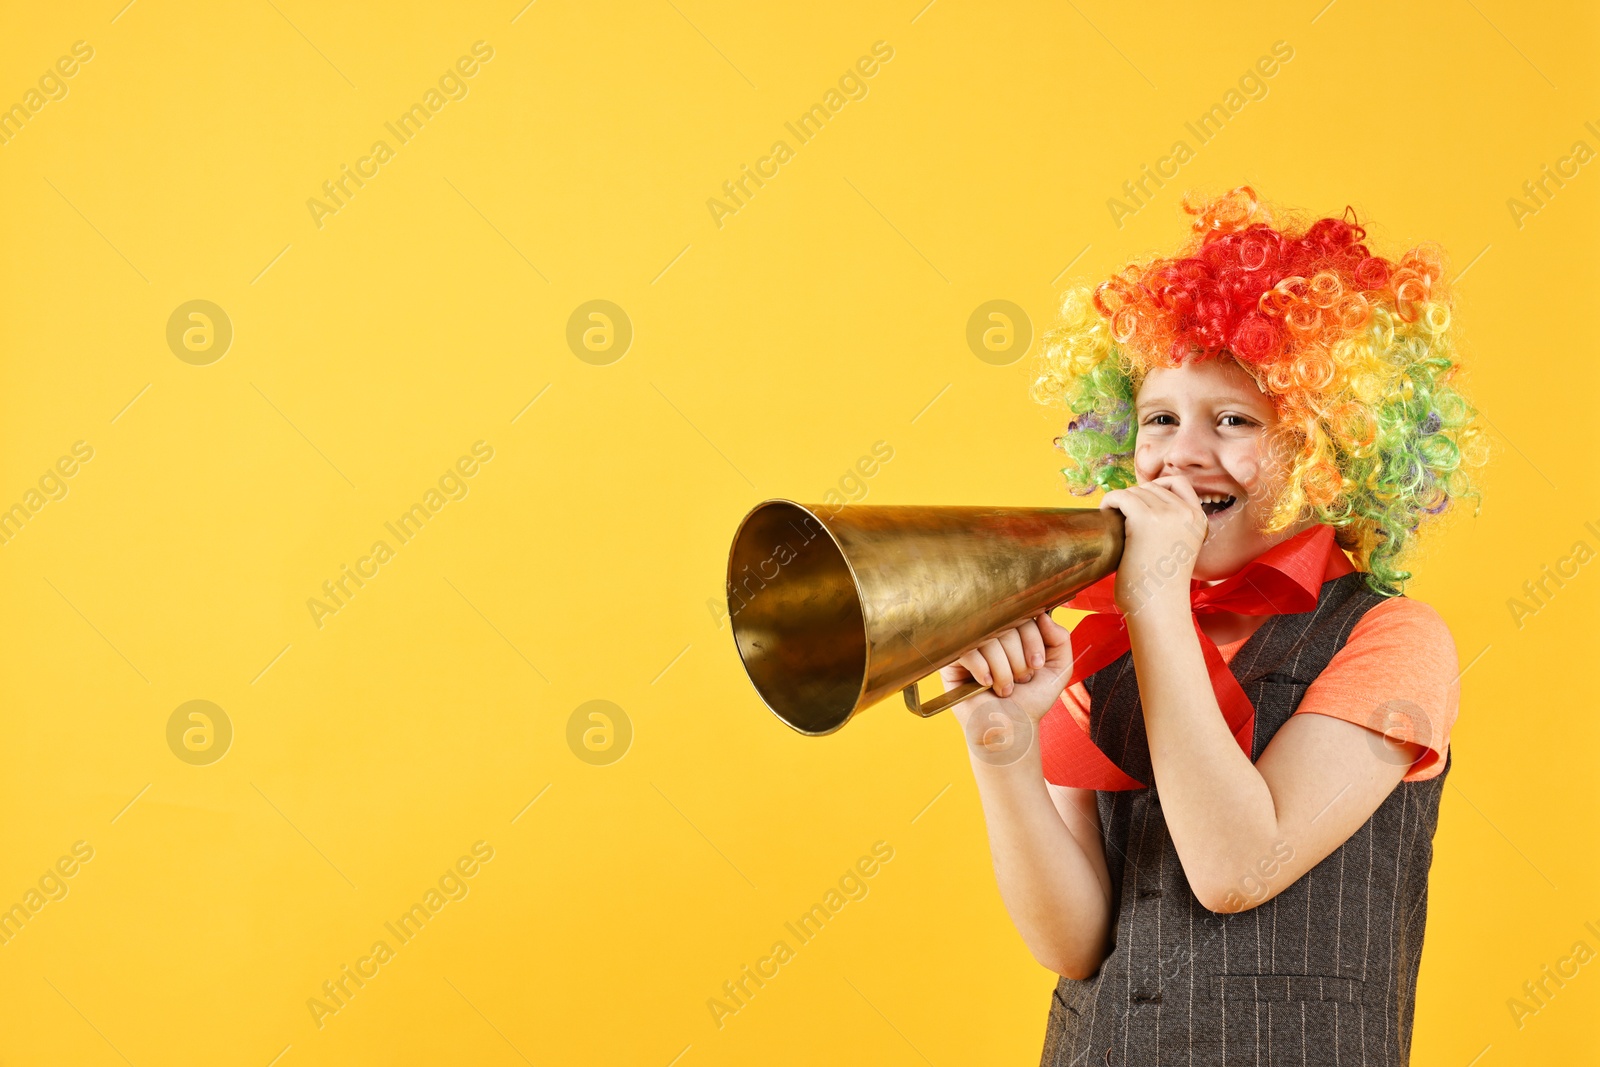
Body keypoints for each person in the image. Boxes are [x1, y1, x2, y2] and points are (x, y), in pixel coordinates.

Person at [941, 187, 1488, 1066]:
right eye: (1159, 419)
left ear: (1325, 449)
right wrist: (1001, 742)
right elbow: (1072, 943)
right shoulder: (1103, 642)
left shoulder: (1395, 639)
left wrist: (1150, 594)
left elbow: (1239, 868)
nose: (1182, 455)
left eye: (1234, 421)